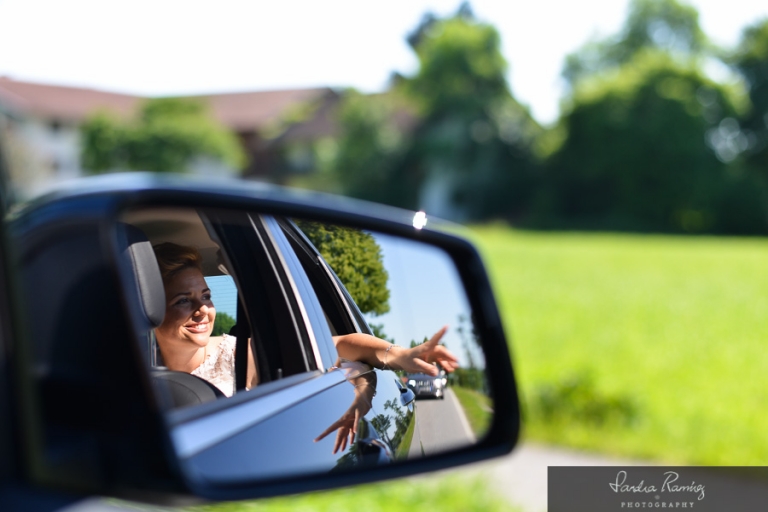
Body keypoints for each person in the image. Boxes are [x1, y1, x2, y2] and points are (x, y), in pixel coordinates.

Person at [152, 242, 459, 398]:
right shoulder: (129, 366)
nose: (203, 310)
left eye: (206, 296)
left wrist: (402, 355)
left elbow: (340, 345)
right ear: (149, 309)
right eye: (183, 301)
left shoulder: (234, 355)